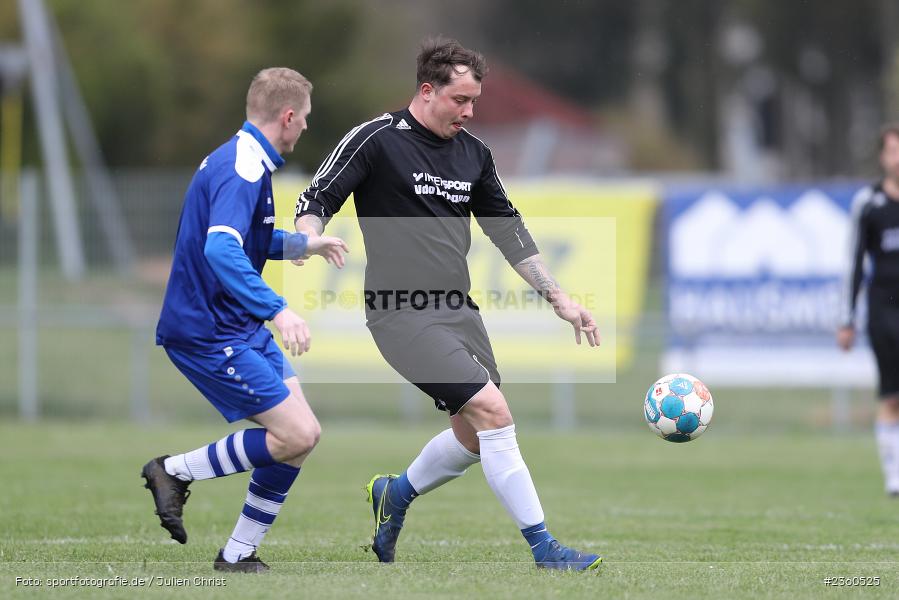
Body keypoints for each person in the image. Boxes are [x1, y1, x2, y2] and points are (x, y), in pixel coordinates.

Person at [294, 39, 602, 571]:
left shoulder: (474, 154)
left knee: (477, 434)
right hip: (399, 311)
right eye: (460, 99)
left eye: (474, 101)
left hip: (459, 310)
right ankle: (545, 549)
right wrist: (310, 238)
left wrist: (561, 299)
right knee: (494, 413)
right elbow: (316, 197)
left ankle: (395, 494)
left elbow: (510, 234)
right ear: (427, 90)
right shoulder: (376, 140)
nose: (469, 111)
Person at [142, 67, 348, 572]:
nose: (305, 129)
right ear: (288, 115)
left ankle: (238, 554)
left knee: (302, 436)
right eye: (305, 120)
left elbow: (245, 240)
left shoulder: (244, 158)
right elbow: (220, 249)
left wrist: (303, 243)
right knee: (295, 434)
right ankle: (173, 471)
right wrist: (278, 309)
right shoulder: (243, 168)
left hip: (235, 325)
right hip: (208, 330)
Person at [838, 123, 899, 496]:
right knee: (892, 395)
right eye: (893, 150)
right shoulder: (869, 203)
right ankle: (894, 476)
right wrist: (846, 319)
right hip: (884, 309)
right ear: (882, 156)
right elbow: (854, 263)